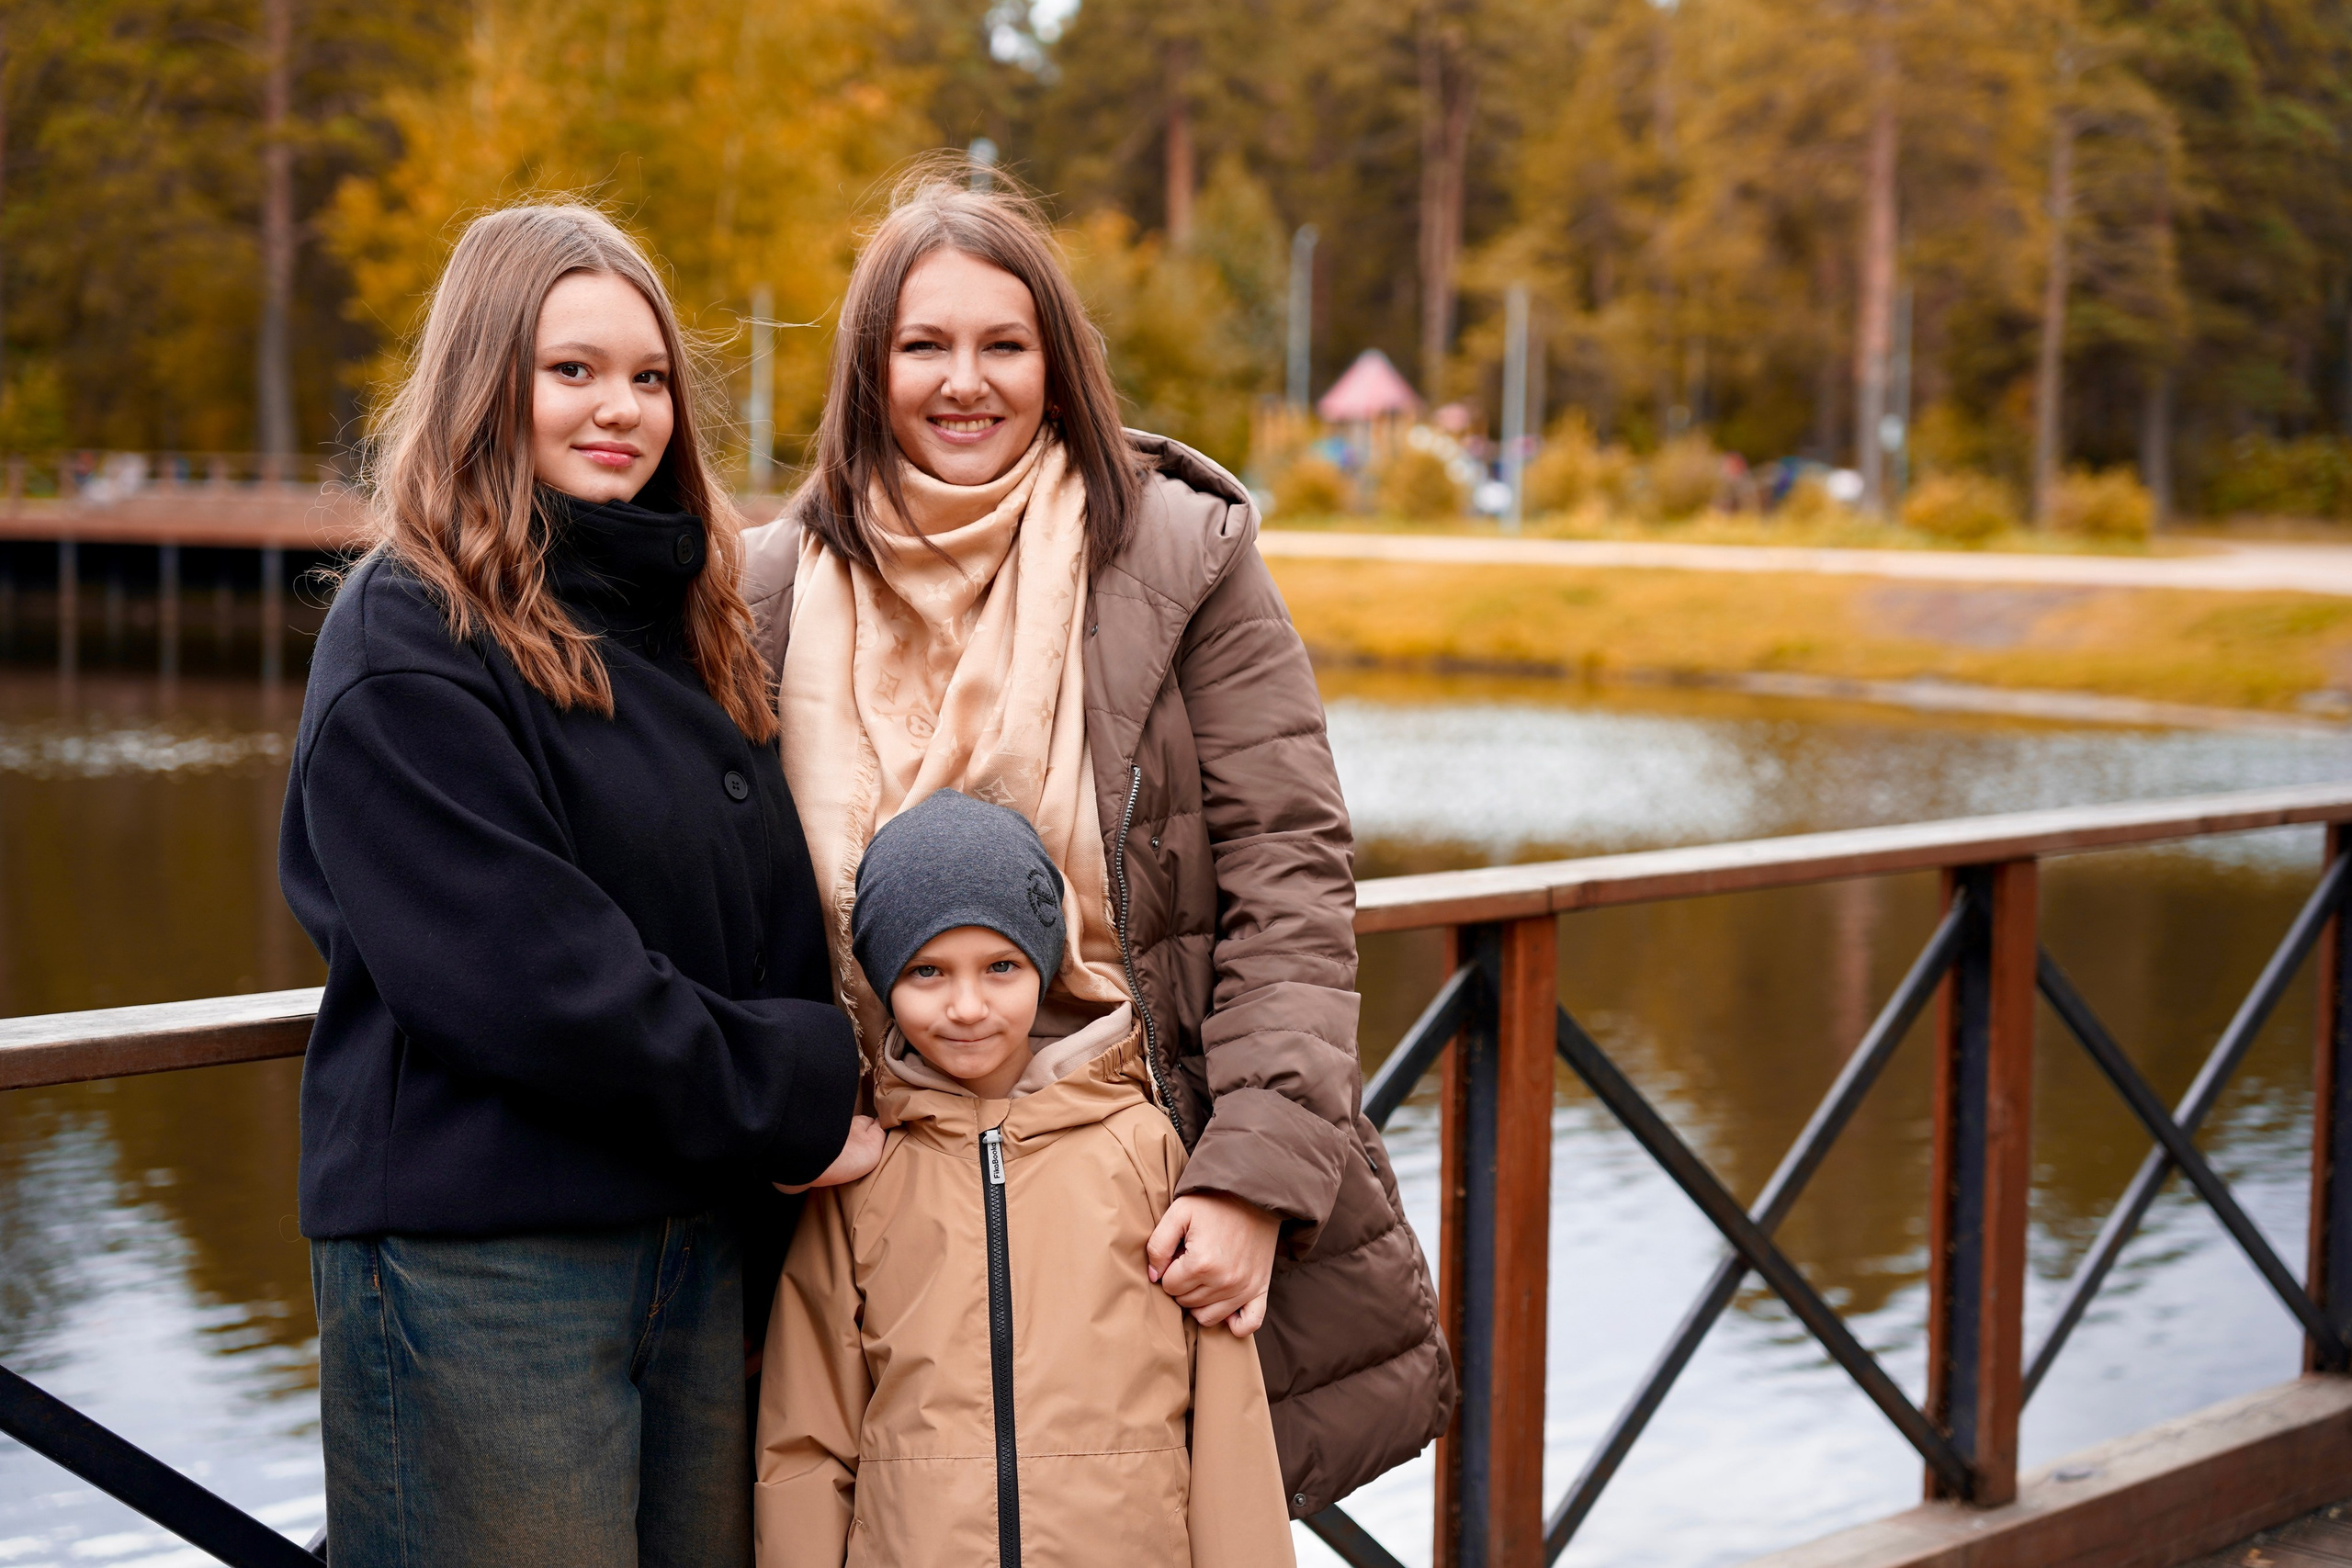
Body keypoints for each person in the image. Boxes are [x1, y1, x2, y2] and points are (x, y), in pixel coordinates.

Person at [743, 162, 1453, 1517]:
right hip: (866, 1209)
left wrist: (1253, 1180)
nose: (966, 381)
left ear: (1058, 364)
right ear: (867, 371)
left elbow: (1291, 877)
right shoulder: (772, 586)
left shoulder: (1176, 557)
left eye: (1004, 345)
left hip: (1138, 1190)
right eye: (924, 345)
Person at [279, 203, 869, 1567]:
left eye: (649, 376)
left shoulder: (684, 623)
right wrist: (796, 1091)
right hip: (491, 1266)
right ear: (486, 382)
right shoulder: (408, 632)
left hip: (693, 1247)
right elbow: (529, 975)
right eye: (573, 371)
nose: (623, 408)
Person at [755, 788, 1295, 1568]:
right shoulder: (864, 1172)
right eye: (927, 970)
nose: (966, 1005)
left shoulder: (1141, 1147)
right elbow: (805, 1436)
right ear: (883, 978)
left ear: (1044, 963)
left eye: (1000, 965)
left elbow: (1228, 1425)